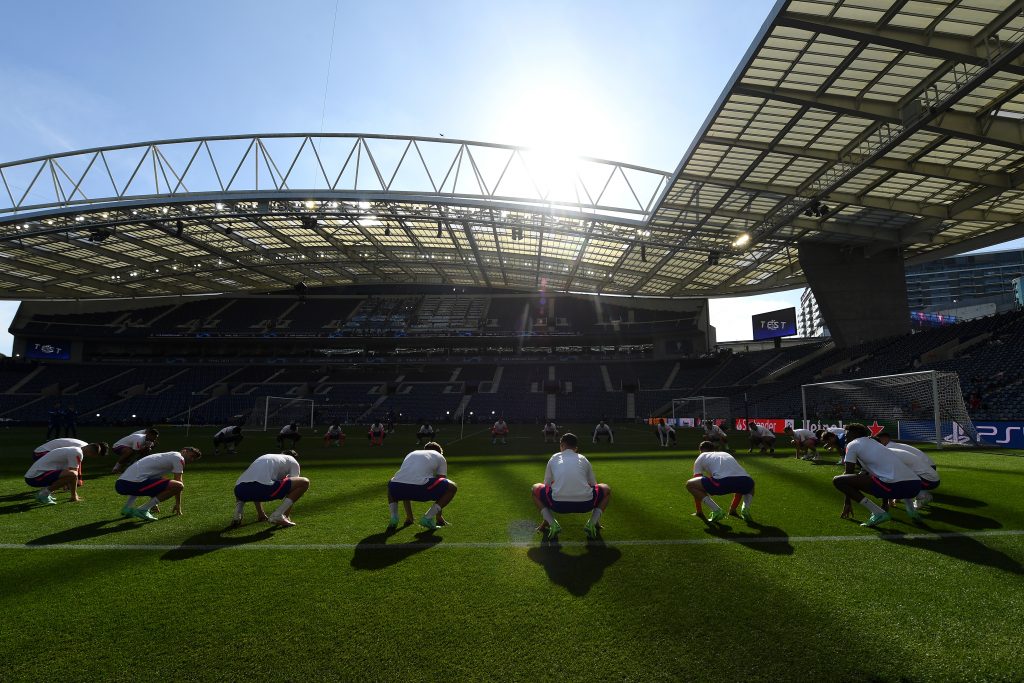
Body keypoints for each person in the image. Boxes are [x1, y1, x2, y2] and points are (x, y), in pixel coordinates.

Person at [832, 423, 922, 527]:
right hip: (915, 486)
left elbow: (848, 474)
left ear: (855, 435)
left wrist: (847, 503)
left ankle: (878, 513)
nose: (845, 439)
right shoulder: (875, 443)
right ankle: (912, 511)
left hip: (898, 487)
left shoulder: (852, 444)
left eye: (847, 436)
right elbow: (882, 473)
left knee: (838, 480)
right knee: (884, 477)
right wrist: (884, 503)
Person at [531, 432, 611, 540]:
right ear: (576, 448)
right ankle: (593, 522)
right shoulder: (583, 458)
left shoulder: (554, 457)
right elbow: (594, 485)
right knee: (606, 488)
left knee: (535, 488)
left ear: (562, 445)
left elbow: (546, 486)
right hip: (586, 505)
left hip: (558, 505)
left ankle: (551, 523)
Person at [115, 447, 202, 521]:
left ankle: (127, 508)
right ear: (184, 451)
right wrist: (178, 504)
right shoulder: (179, 458)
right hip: (130, 484)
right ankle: (143, 509)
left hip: (121, 484)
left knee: (162, 481)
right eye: (192, 456)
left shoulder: (166, 456)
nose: (192, 459)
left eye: (194, 459)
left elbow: (154, 481)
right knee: (178, 485)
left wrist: (154, 502)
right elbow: (179, 483)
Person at [387, 442, 457, 530]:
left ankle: (394, 518)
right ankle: (427, 518)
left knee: (395, 482)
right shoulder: (440, 456)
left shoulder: (412, 453)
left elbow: (406, 480)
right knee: (451, 487)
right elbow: (441, 482)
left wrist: (409, 517)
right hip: (420, 489)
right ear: (439, 452)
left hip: (396, 487)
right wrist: (438, 516)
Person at [232, 449, 310, 528]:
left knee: (248, 483)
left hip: (239, 490)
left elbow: (256, 482)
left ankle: (237, 515)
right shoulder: (292, 460)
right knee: (304, 482)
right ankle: (278, 515)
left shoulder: (266, 457)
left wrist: (260, 513)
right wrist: (286, 515)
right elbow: (292, 489)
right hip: (262, 489)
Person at [685, 441, 755, 522]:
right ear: (713, 449)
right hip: (747, 481)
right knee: (746, 484)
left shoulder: (701, 456)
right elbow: (737, 478)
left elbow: (697, 481)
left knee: (690, 484)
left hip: (721, 484)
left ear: (700, 451)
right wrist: (733, 508)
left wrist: (699, 510)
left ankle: (716, 510)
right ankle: (745, 509)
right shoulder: (725, 453)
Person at [25, 442, 108, 505]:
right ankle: (44, 494)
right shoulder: (77, 452)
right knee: (73, 474)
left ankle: (45, 493)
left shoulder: (74, 449)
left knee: (71, 474)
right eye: (93, 455)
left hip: (35, 475)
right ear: (91, 452)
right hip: (35, 477)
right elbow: (73, 474)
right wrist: (74, 495)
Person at [875, 432, 939, 509]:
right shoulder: (893, 445)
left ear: (885, 439)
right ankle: (919, 494)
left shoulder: (888, 449)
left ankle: (923, 497)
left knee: (906, 480)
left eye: (878, 440)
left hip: (926, 470)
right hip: (927, 467)